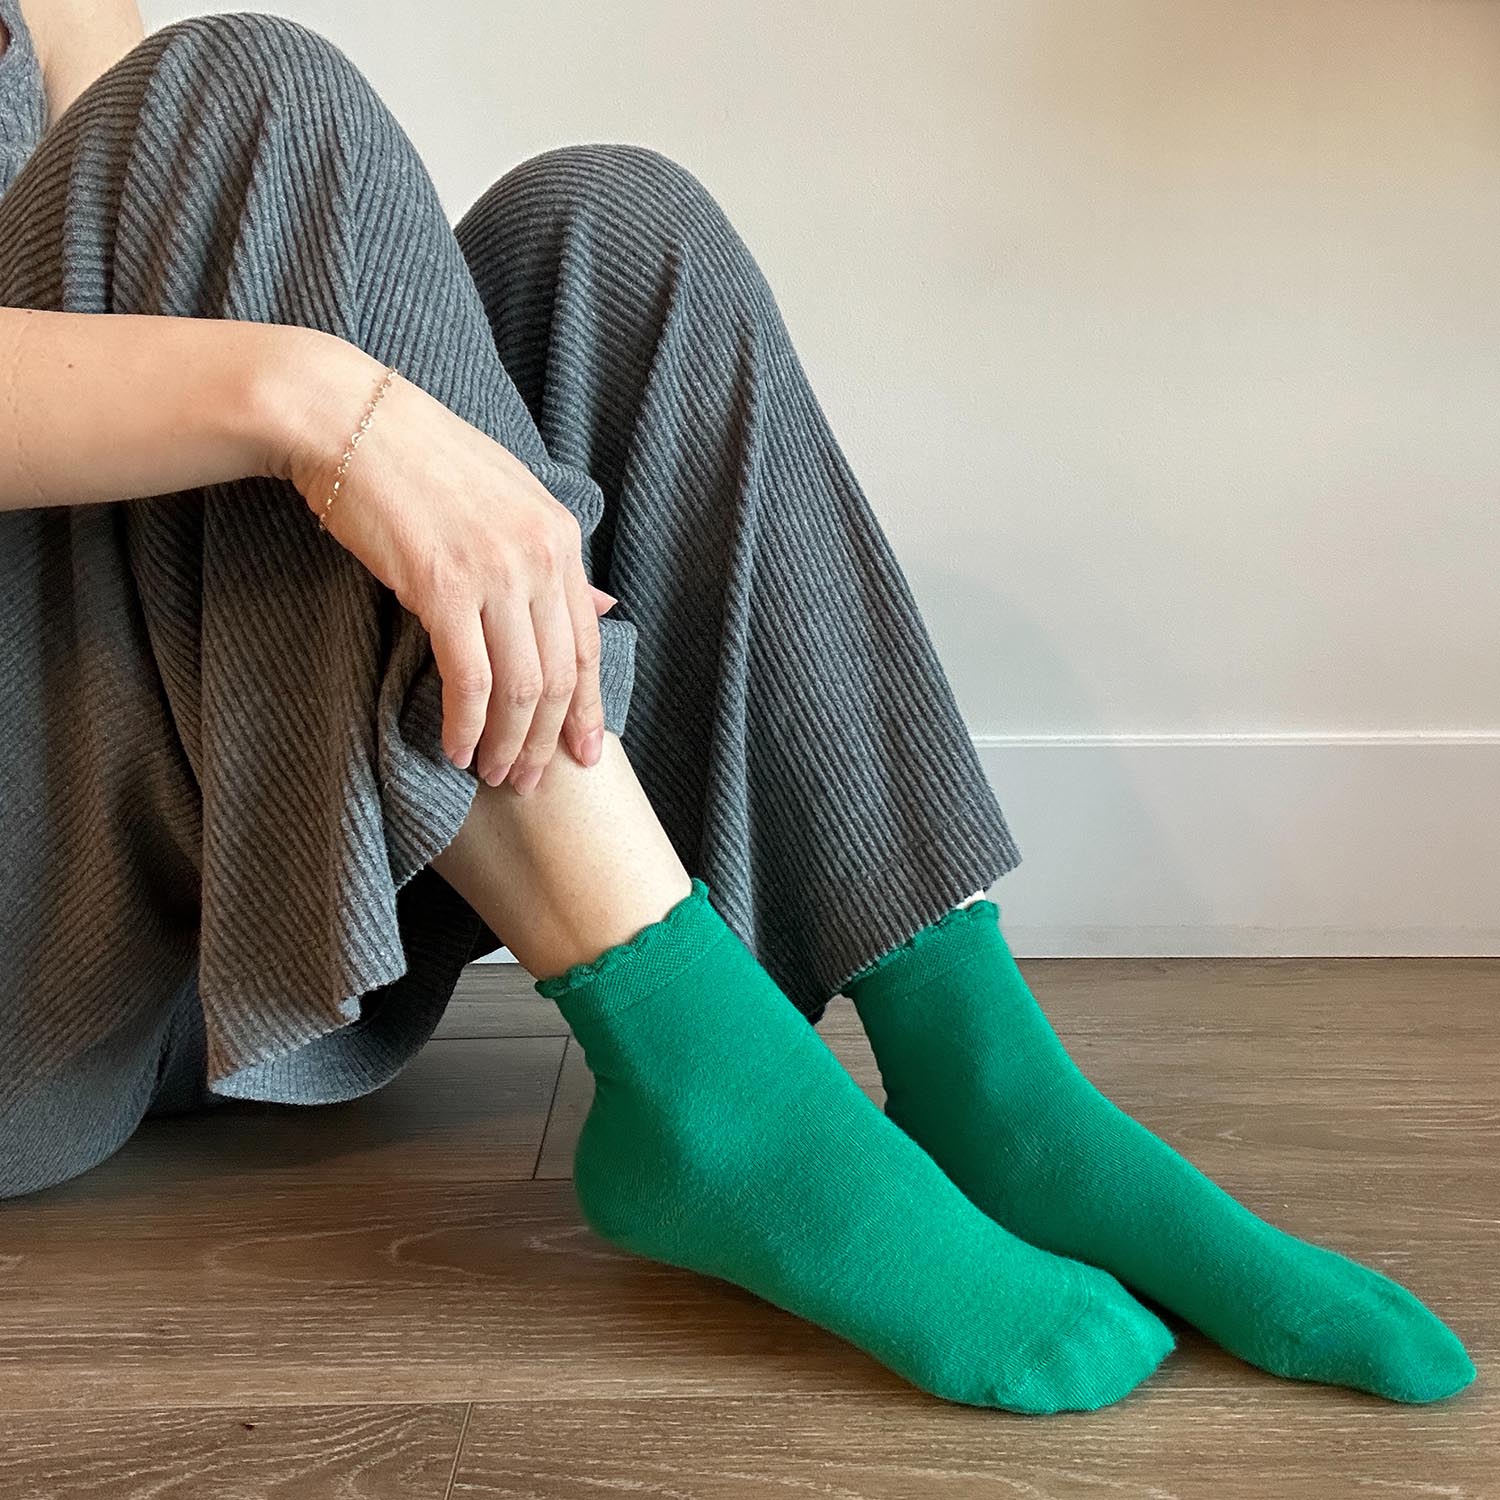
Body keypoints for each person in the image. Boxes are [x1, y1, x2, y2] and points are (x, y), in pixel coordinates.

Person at [0, 0, 1473, 1415]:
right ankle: (711, 1097)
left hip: (174, 910)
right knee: (244, 102)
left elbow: (138, 234)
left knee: (609, 232)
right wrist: (320, 404)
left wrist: (351, 416)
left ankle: (986, 1081)